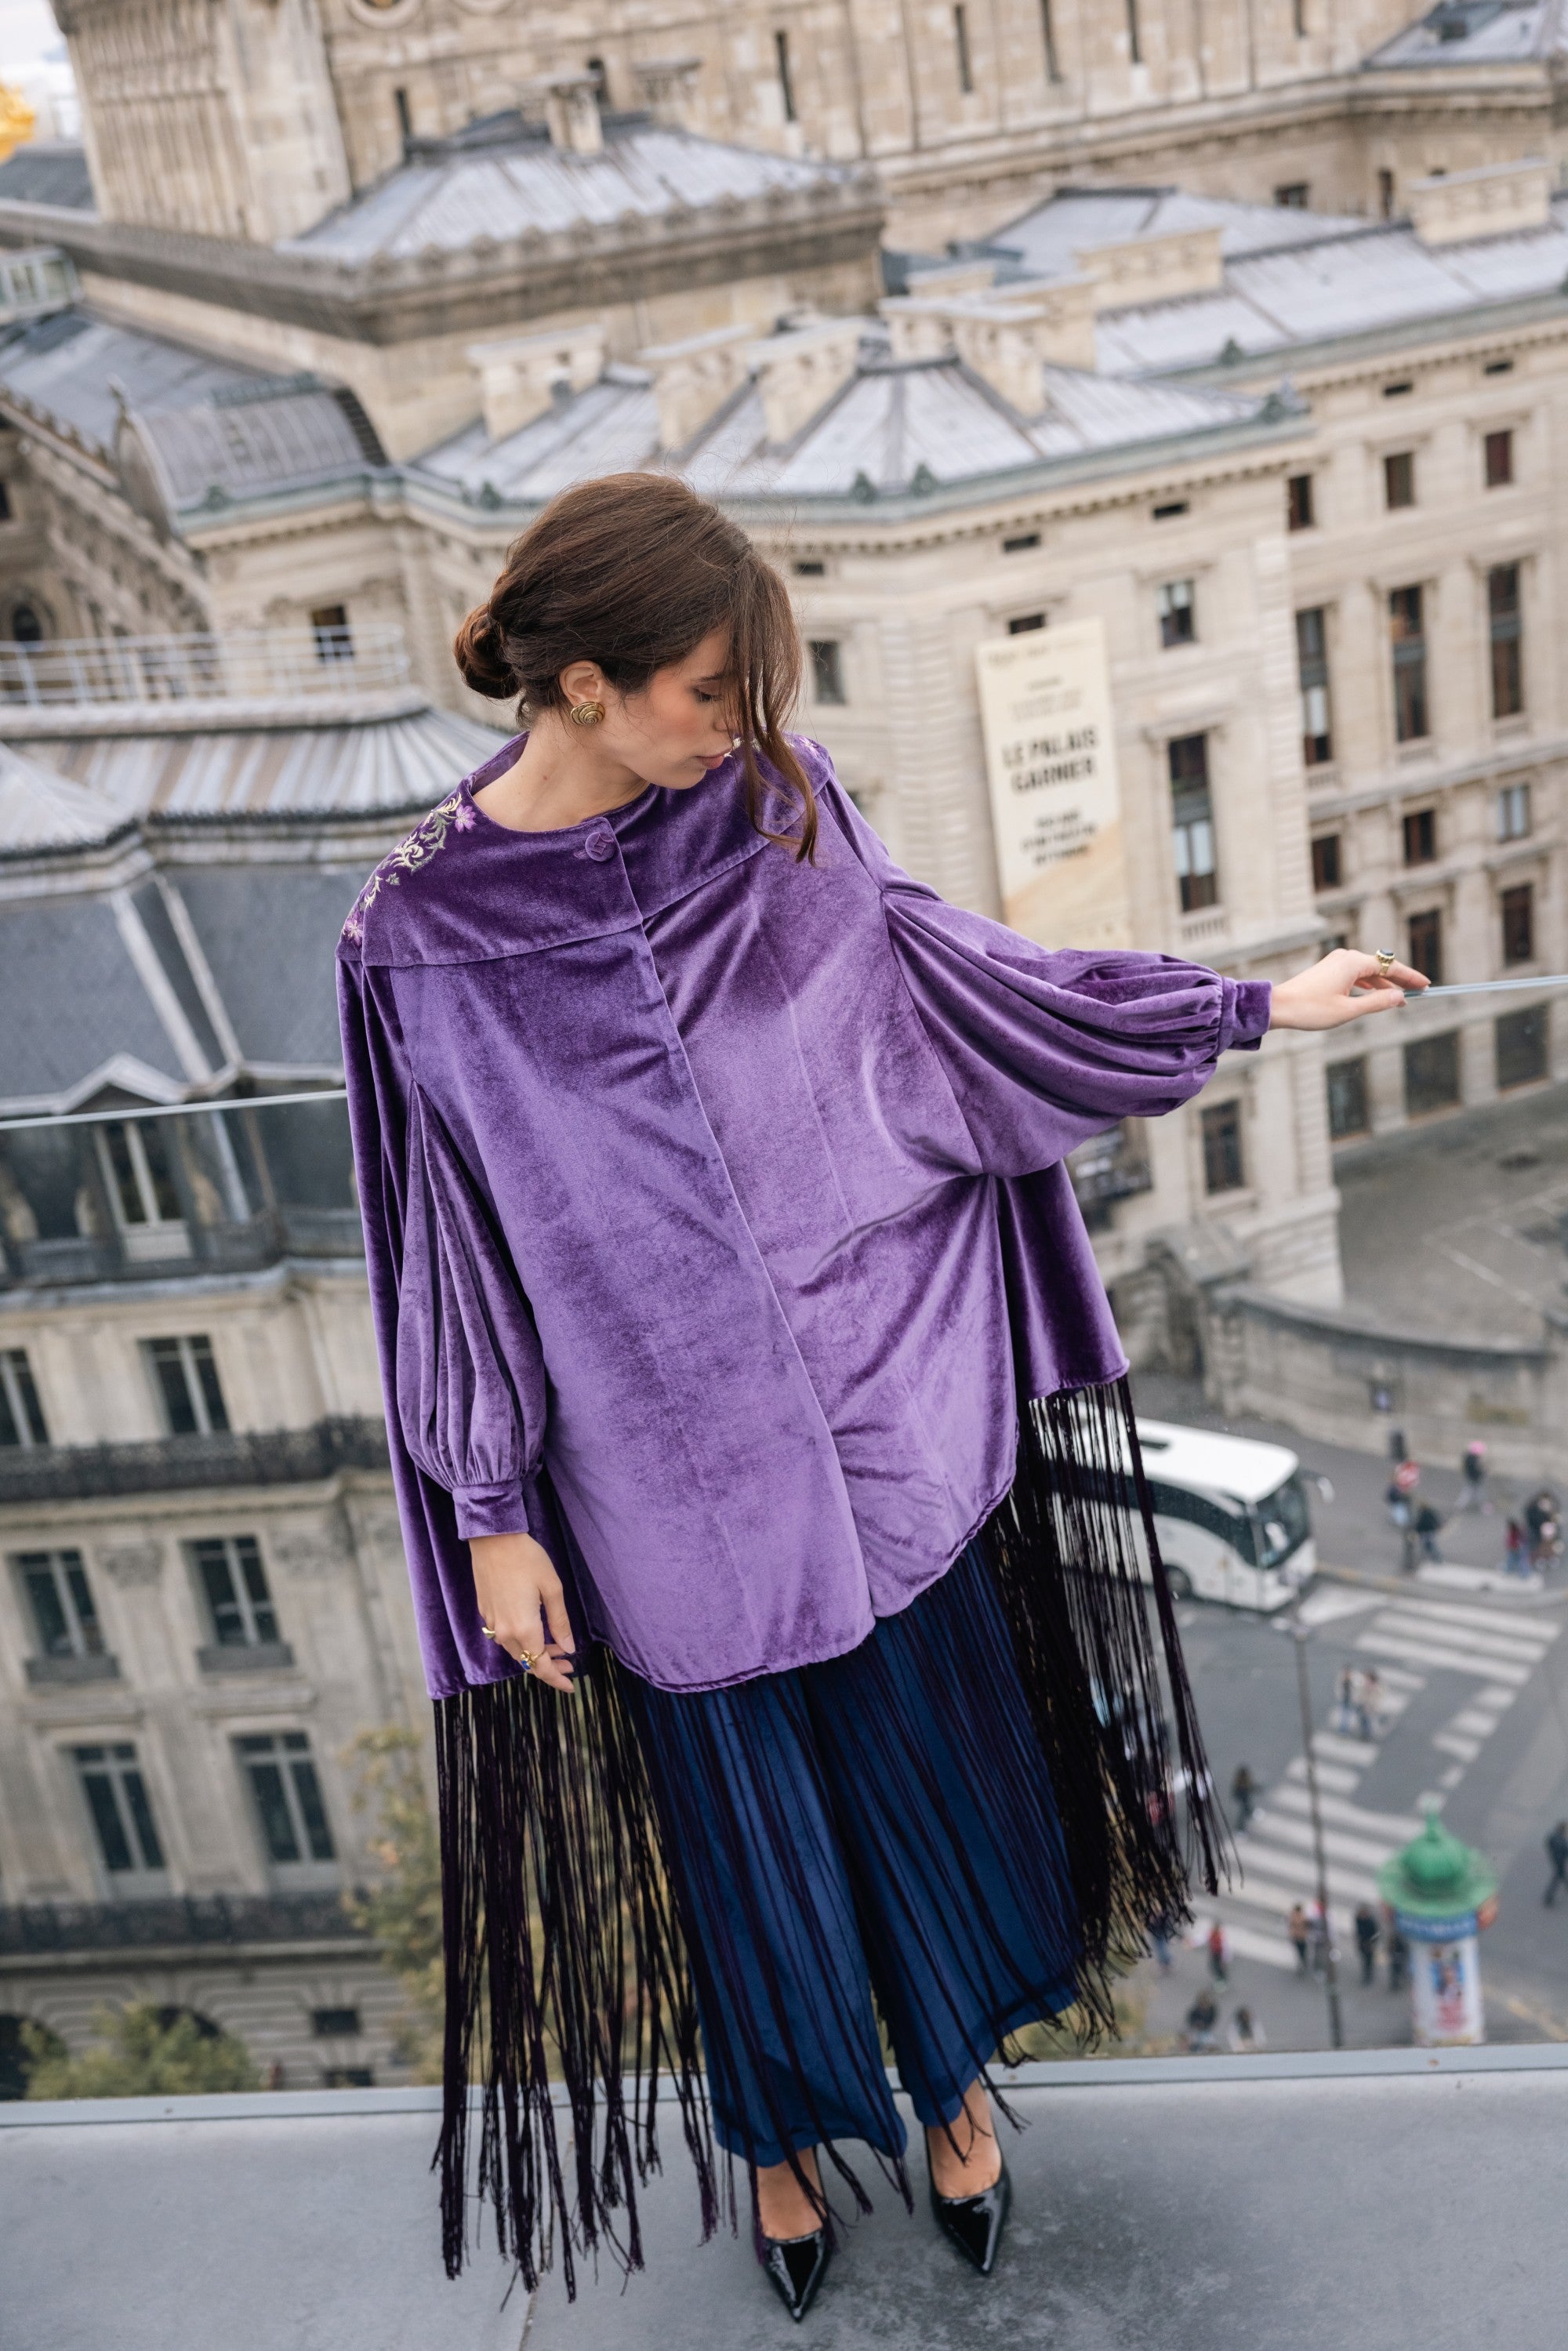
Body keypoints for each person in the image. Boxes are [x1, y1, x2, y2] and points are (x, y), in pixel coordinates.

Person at [336, 473, 1423, 2320]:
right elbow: (446, 1246)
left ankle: (952, 2097)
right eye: (701, 689)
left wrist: (1242, 1009)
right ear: (582, 685)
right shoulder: (416, 943)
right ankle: (773, 2141)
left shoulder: (776, 811)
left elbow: (962, 993)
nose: (739, 723)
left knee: (940, 1799)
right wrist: (490, 1509)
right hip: (665, 1497)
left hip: (883, 1433)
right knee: (748, 1856)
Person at [1184, 1989, 1220, 2053]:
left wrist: (1205, 2025)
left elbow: (1212, 2020)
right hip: (1195, 2031)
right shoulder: (1195, 2011)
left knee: (1211, 2044)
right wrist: (1196, 2025)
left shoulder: (1212, 2010)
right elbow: (1190, 2020)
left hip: (1206, 2031)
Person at [1353, 1903, 1381, 1986]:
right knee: (1364, 1961)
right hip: (1362, 1943)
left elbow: (1377, 1934)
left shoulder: (1371, 1922)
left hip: (1369, 1944)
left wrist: (1371, 1943)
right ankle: (1366, 1976)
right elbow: (1358, 1931)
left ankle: (1369, 1977)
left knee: (1369, 1962)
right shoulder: (1358, 1919)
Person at [1459, 1442, 1489, 1515]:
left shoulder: (1468, 1458)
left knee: (1468, 1491)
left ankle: (1460, 1505)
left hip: (1470, 1477)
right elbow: (1476, 1470)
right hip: (1475, 1478)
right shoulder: (1474, 1460)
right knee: (1478, 1493)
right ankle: (1483, 1507)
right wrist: (1483, 1472)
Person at [1544, 1823, 1568, 1907]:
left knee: (1562, 1874)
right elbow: (1566, 1851)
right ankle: (1549, 1897)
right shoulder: (1563, 1841)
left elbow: (1548, 1844)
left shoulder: (1553, 1837)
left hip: (1554, 1858)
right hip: (1560, 1861)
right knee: (1557, 1877)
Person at [1414, 1500, 1444, 1566]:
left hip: (1425, 1532)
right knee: (1431, 1545)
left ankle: (1434, 1558)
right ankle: (1436, 1558)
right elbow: (1435, 1520)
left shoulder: (1422, 1514)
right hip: (1430, 1531)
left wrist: (1416, 1530)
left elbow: (1420, 1524)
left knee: (1428, 1546)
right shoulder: (1430, 1512)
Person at [1230, 1764, 1258, 1833]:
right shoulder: (1241, 1784)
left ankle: (1250, 1813)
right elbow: (1251, 1787)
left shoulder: (1243, 1782)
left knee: (1247, 1808)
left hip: (1245, 1799)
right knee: (1243, 1813)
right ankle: (1240, 1828)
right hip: (1243, 1799)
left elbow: (1251, 1787)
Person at [1287, 1903, 1311, 1973]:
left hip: (1299, 1937)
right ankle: (1303, 1962)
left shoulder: (1294, 1916)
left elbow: (1291, 1927)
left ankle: (1302, 1962)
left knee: (1301, 1952)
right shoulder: (1303, 1917)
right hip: (1301, 1937)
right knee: (1302, 1952)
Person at [1207, 1921, 1230, 1987]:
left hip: (1219, 1954)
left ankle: (1222, 1981)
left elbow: (1226, 1948)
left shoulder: (1221, 1937)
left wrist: (1225, 1959)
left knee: (1218, 1967)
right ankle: (1220, 1979)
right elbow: (1202, 1938)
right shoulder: (1211, 1934)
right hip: (1214, 1953)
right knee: (1213, 1966)